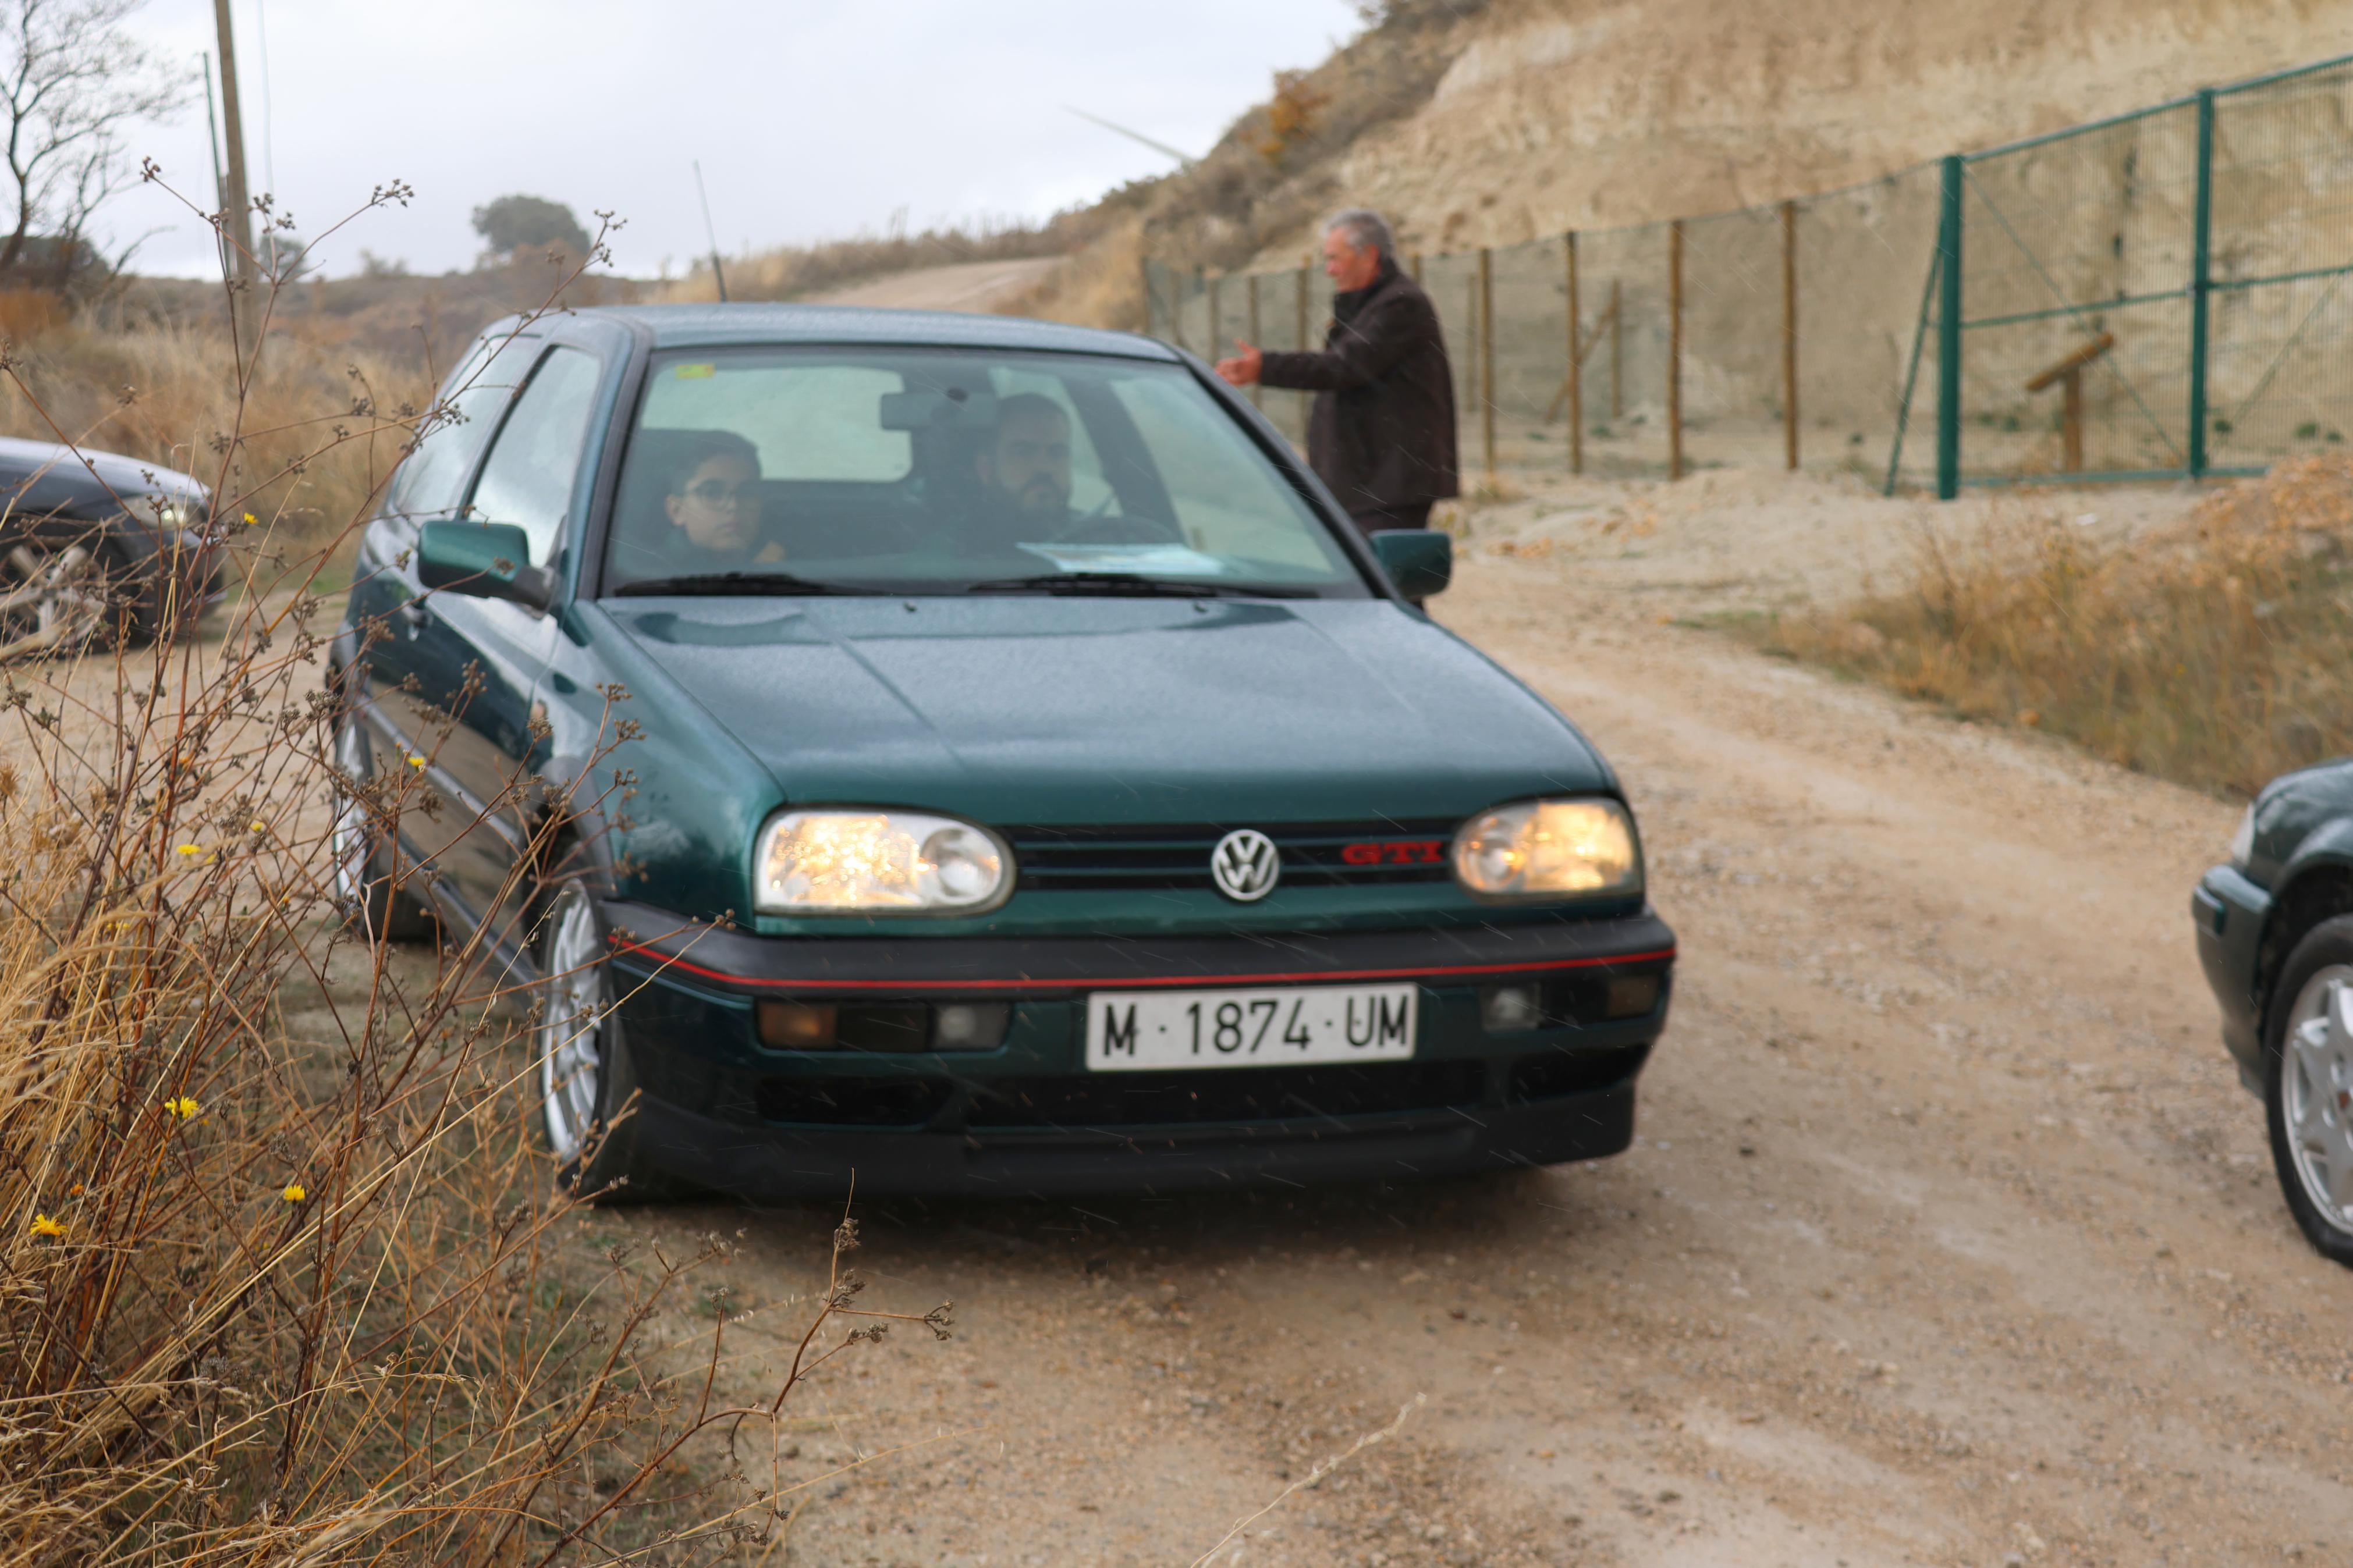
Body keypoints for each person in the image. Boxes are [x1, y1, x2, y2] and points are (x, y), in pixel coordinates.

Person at [1215, 208, 1457, 542]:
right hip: (1368, 482)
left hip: (1390, 484)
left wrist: (1266, 367)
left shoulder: (1401, 305)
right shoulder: (1366, 306)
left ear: (1369, 255)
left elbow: (1344, 367)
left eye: (1335, 259)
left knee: (1388, 583)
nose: (1329, 270)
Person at [659, 431, 786, 567]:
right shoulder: (653, 574)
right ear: (677, 510)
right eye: (712, 493)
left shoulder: (785, 564)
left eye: (747, 493)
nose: (734, 505)